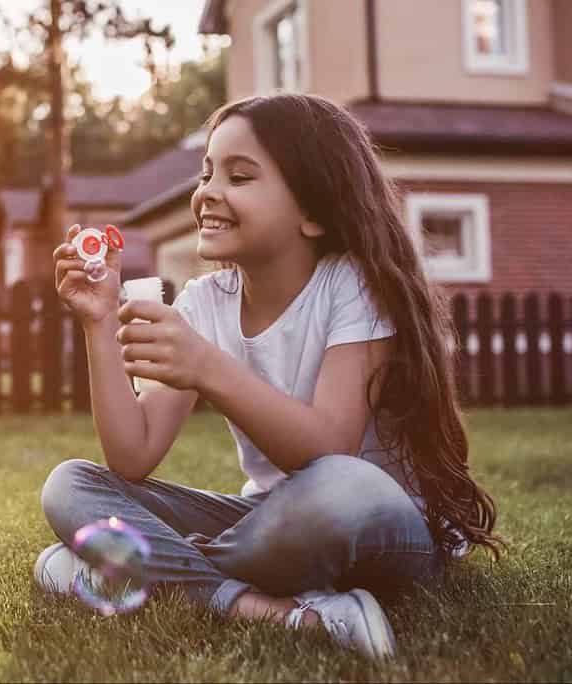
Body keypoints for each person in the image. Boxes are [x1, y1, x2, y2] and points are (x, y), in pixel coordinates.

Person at [35, 93, 503, 662]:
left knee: (337, 487)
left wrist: (207, 367)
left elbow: (329, 448)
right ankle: (267, 608)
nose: (208, 191)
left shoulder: (351, 285)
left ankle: (139, 566)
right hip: (268, 524)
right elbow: (131, 457)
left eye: (239, 175)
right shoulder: (203, 302)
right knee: (71, 484)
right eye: (207, 172)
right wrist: (99, 322)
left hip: (377, 525)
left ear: (313, 211)